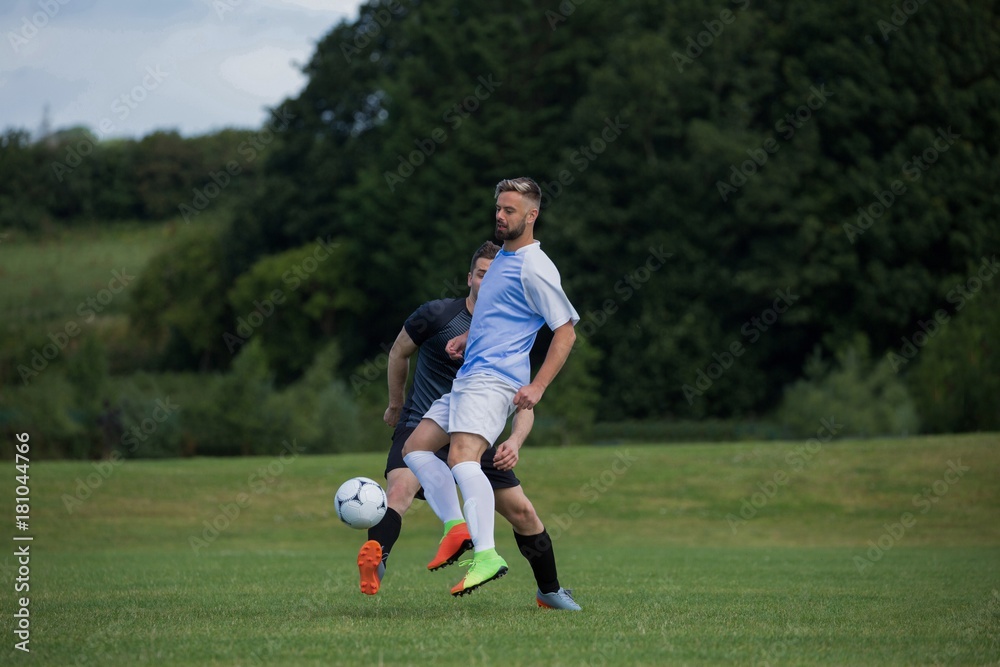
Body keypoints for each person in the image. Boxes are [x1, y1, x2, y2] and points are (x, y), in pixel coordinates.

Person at [357, 240, 580, 610]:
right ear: (469, 278)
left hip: (480, 422)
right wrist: (395, 403)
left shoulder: (511, 319)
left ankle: (548, 589)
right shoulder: (438, 315)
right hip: (431, 414)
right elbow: (398, 351)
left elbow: (522, 395)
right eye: (480, 274)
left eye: (494, 276)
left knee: (522, 511)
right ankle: (382, 557)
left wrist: (516, 440)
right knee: (402, 482)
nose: (486, 281)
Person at [402, 177, 579, 599]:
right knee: (416, 449)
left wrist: (537, 386)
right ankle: (456, 529)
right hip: (471, 375)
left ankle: (486, 554)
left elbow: (566, 331)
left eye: (510, 210)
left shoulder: (535, 266)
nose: (500, 216)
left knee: (464, 458)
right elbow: (500, 313)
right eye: (498, 208)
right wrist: (470, 337)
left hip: (494, 380)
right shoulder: (500, 258)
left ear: (532, 216)